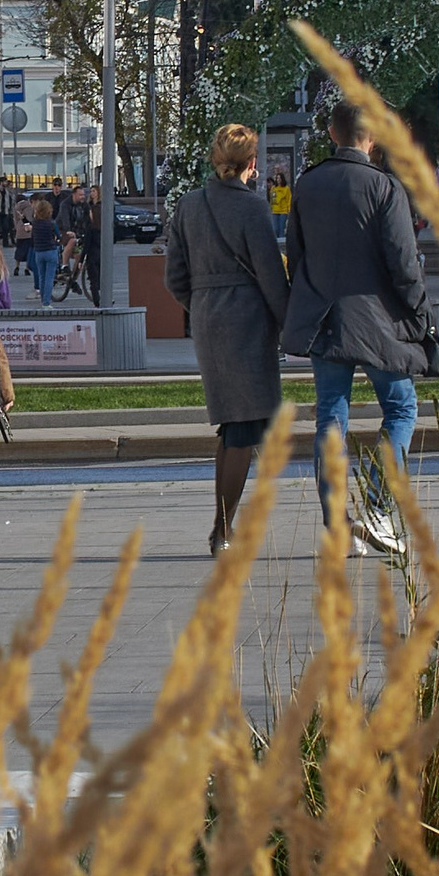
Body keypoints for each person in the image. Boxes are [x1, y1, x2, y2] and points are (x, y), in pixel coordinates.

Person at [281, 100, 429, 558]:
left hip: (326, 318)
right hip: (379, 319)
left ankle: (337, 524)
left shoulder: (308, 184)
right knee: (401, 408)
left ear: (331, 131)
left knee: (331, 416)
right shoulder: (384, 187)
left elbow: (297, 253)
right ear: (374, 136)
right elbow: (403, 263)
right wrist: (420, 314)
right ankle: (379, 505)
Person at [164, 124, 292, 556]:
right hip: (247, 321)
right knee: (243, 427)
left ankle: (223, 527)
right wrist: (288, 322)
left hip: (207, 318)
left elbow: (174, 277)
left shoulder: (189, 205)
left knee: (234, 423)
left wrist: (204, 302)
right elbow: (272, 276)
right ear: (251, 163)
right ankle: (222, 530)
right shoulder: (253, 209)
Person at [23, 201, 62, 304]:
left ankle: (42, 299)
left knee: (41, 276)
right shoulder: (52, 223)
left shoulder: (35, 223)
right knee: (49, 278)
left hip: (39, 252)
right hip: (50, 251)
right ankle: (46, 302)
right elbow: (59, 236)